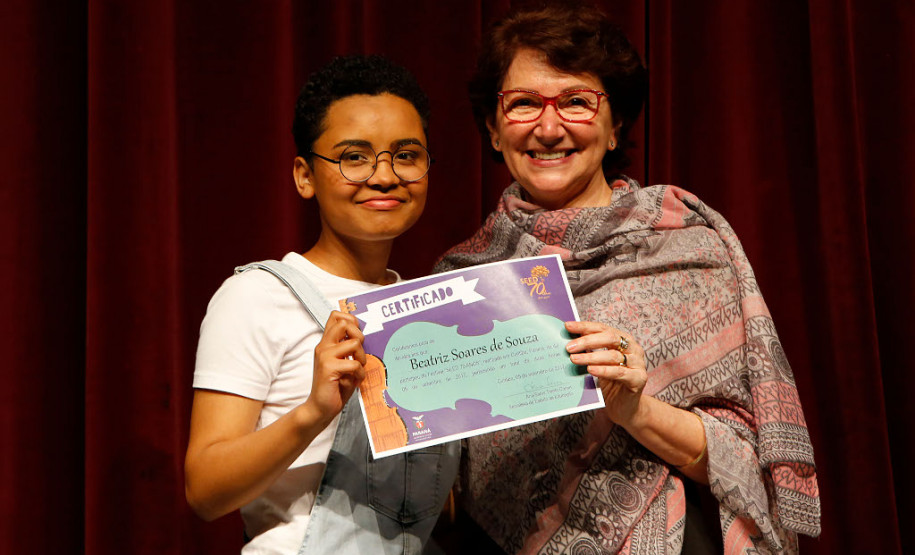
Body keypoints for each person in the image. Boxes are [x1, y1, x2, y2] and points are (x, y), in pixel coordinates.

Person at [435, 3, 821, 553]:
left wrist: (634, 409)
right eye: (523, 105)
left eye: (576, 101)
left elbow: (746, 458)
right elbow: (448, 487)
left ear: (615, 126)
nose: (549, 127)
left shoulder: (688, 247)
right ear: (494, 131)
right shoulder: (456, 284)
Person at [185, 55, 459, 554]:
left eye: (407, 155)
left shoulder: (431, 311)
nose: (384, 176)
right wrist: (313, 411)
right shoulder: (258, 296)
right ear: (304, 176)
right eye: (354, 157)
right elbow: (205, 491)